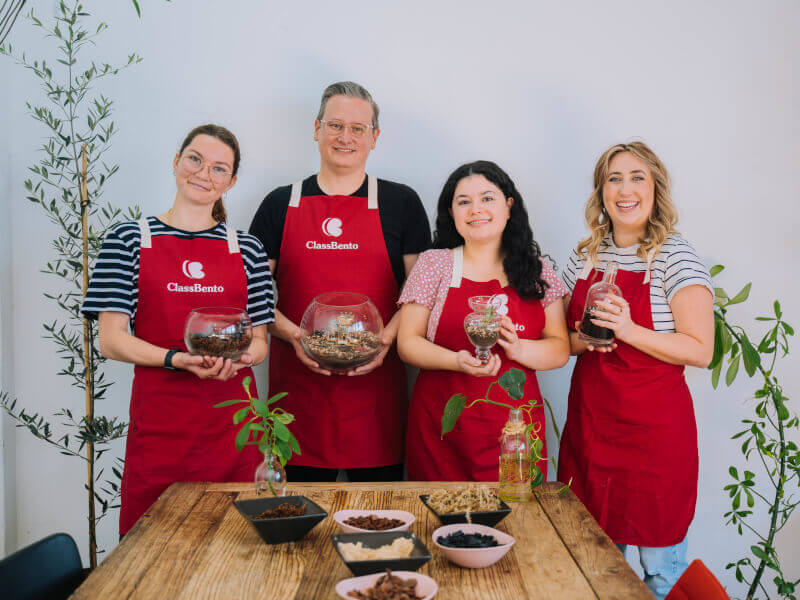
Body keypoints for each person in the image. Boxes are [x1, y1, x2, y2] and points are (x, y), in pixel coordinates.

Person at [82, 124, 274, 535]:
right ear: (176, 161)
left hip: (234, 424)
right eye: (195, 159)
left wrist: (243, 358)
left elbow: (260, 341)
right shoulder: (128, 240)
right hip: (161, 424)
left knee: (236, 547)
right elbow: (111, 339)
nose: (204, 173)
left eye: (219, 168)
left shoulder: (248, 249)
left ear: (232, 181)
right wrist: (175, 359)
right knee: (150, 547)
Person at [249, 82, 431, 482]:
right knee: (297, 521)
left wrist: (384, 341)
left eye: (358, 128)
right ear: (316, 129)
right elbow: (253, 295)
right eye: (334, 125)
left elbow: (421, 294)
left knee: (378, 520)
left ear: (374, 137)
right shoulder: (280, 203)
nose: (345, 137)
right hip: (297, 394)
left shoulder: (401, 203)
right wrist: (295, 336)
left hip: (377, 395)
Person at [557, 141, 714, 599]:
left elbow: (700, 350)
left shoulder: (675, 257)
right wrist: (584, 340)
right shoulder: (585, 254)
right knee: (598, 567)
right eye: (614, 178)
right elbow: (563, 342)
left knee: (662, 570)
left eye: (637, 177)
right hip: (591, 429)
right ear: (601, 192)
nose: (625, 189)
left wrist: (626, 328)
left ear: (655, 189)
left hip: (654, 440)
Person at [397, 161, 569, 481]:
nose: (476, 209)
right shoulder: (434, 264)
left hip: (516, 433)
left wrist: (518, 350)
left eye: (487, 198)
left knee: (518, 525)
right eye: (464, 202)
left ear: (508, 205)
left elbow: (560, 348)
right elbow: (407, 342)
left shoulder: (539, 271)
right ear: (452, 212)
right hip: (443, 434)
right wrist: (456, 360)